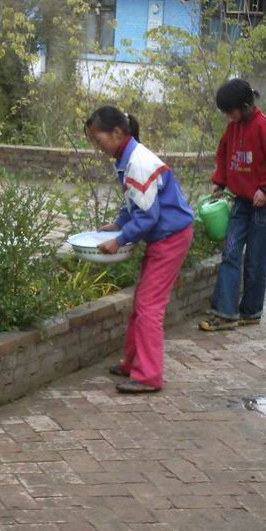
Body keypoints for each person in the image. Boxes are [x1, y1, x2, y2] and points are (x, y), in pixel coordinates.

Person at [86, 106, 195, 394]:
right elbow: (133, 201)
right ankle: (133, 363)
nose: (97, 146)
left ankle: (148, 375)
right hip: (165, 237)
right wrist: (119, 223)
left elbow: (148, 216)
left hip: (171, 238)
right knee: (142, 304)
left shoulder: (138, 162)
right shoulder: (126, 158)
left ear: (117, 132)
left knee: (149, 307)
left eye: (98, 139)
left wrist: (119, 239)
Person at [199, 79, 266, 332]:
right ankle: (225, 313)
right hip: (241, 203)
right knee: (230, 254)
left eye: (230, 111)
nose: (228, 117)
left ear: (245, 105)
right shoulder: (233, 129)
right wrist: (219, 181)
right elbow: (224, 154)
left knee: (255, 262)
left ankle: (251, 312)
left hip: (265, 207)